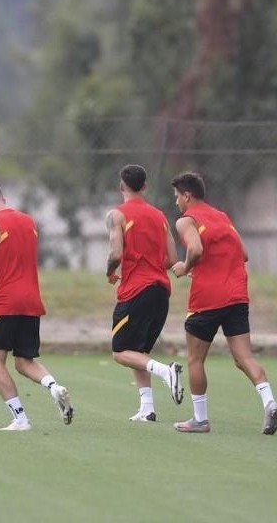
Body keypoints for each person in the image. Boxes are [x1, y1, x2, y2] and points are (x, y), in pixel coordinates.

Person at [169, 171, 277, 434]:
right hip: (237, 295)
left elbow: (195, 250)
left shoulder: (186, 221)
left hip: (207, 298)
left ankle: (200, 419)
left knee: (195, 359)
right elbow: (243, 254)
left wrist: (185, 267)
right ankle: (270, 401)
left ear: (187, 196)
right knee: (244, 358)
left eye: (177, 197)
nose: (176, 202)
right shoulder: (222, 217)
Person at [0, 181, 74, 431]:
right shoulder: (29, 221)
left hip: (4, 302)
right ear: (3, 198)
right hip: (31, 301)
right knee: (23, 361)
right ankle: (54, 387)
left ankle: (20, 419)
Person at [105, 165, 183, 422]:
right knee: (138, 352)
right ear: (145, 186)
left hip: (136, 291)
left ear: (121, 187)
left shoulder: (117, 215)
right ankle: (147, 408)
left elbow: (116, 253)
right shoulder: (160, 216)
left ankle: (166, 372)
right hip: (161, 291)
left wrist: (110, 271)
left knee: (119, 351)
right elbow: (172, 258)